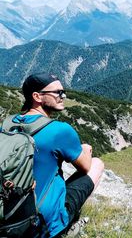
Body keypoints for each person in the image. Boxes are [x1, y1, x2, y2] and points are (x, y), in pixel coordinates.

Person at [11, 73, 104, 237]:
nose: (63, 96)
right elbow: (85, 166)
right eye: (58, 93)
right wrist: (86, 149)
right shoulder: (60, 130)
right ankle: (66, 224)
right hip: (41, 224)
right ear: (37, 96)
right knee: (96, 164)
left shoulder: (7, 123)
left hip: (10, 215)